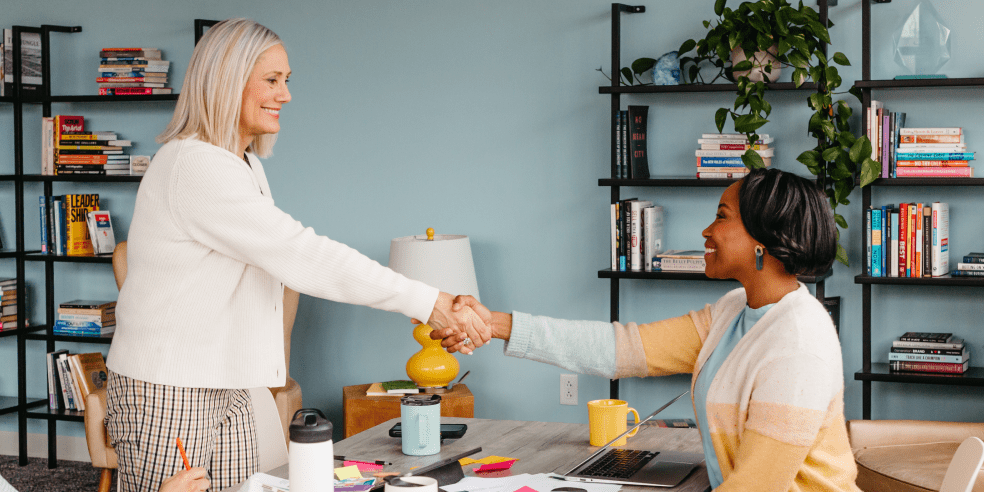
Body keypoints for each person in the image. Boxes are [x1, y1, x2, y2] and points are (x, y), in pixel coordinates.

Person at [104, 18, 491, 492]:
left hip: (229, 381)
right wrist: (429, 302)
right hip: (168, 389)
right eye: (271, 80)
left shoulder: (242, 164)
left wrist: (436, 302)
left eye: (287, 81)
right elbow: (302, 254)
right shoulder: (195, 166)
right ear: (227, 80)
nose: (285, 95)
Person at [439, 168, 861, 491]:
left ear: (763, 241)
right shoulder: (736, 309)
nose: (706, 231)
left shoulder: (798, 345)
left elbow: (755, 487)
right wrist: (495, 324)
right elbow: (620, 348)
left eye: (721, 217)